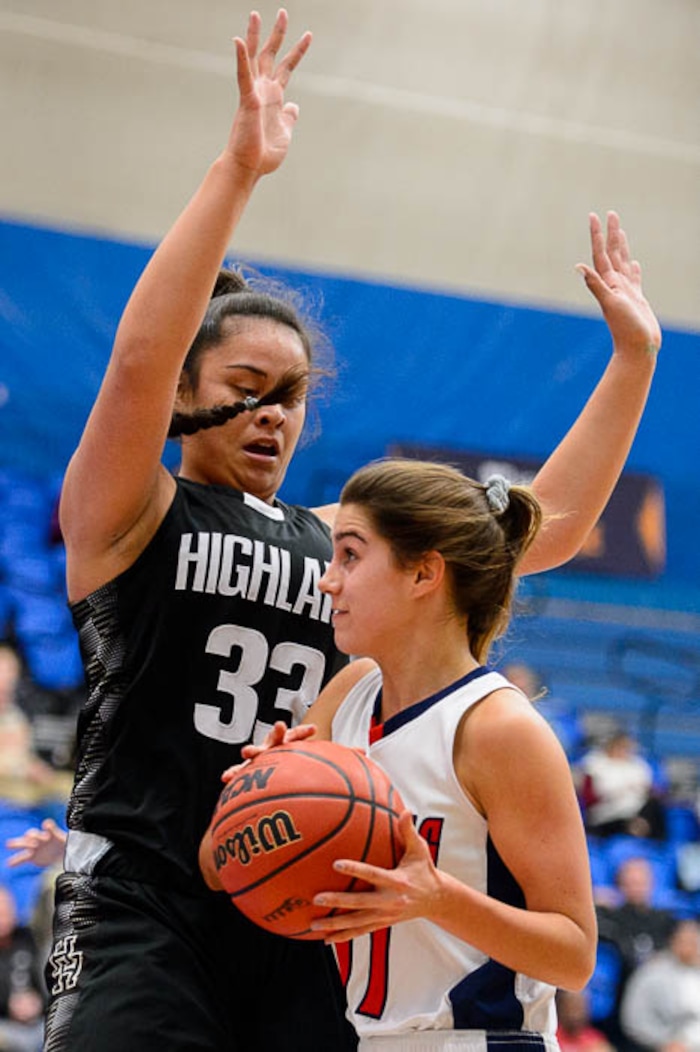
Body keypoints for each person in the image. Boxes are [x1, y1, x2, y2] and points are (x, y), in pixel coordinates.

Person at [32, 4, 663, 1049]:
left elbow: (538, 525)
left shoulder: (342, 541)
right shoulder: (131, 513)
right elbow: (139, 359)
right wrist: (236, 175)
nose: (272, 411)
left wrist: (631, 364)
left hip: (307, 886)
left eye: (290, 392)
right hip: (137, 898)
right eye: (244, 386)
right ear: (188, 395)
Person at [201, 460, 599, 1049]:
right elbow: (218, 865)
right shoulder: (350, 692)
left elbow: (573, 956)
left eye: (350, 556)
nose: (327, 580)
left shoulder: (497, 727)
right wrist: (255, 794)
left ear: (424, 574)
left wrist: (439, 898)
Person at [619, 919, 700, 1052]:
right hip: (657, 1046)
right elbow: (635, 1018)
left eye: (693, 942)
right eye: (684, 941)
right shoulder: (651, 973)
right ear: (673, 941)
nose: (689, 947)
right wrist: (666, 1043)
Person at [576, 729, 667, 839]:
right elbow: (591, 797)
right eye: (621, 746)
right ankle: (634, 829)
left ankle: (654, 844)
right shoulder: (595, 764)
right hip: (606, 812)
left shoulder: (638, 765)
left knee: (654, 806)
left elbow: (648, 788)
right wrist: (621, 790)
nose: (625, 751)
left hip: (636, 809)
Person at [0, 884, 45, 1052]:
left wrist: (38, 1001)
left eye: (7, 910)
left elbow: (45, 975)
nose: (4, 917)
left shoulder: (27, 937)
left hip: (39, 1021)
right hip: (4, 1024)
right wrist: (9, 1004)